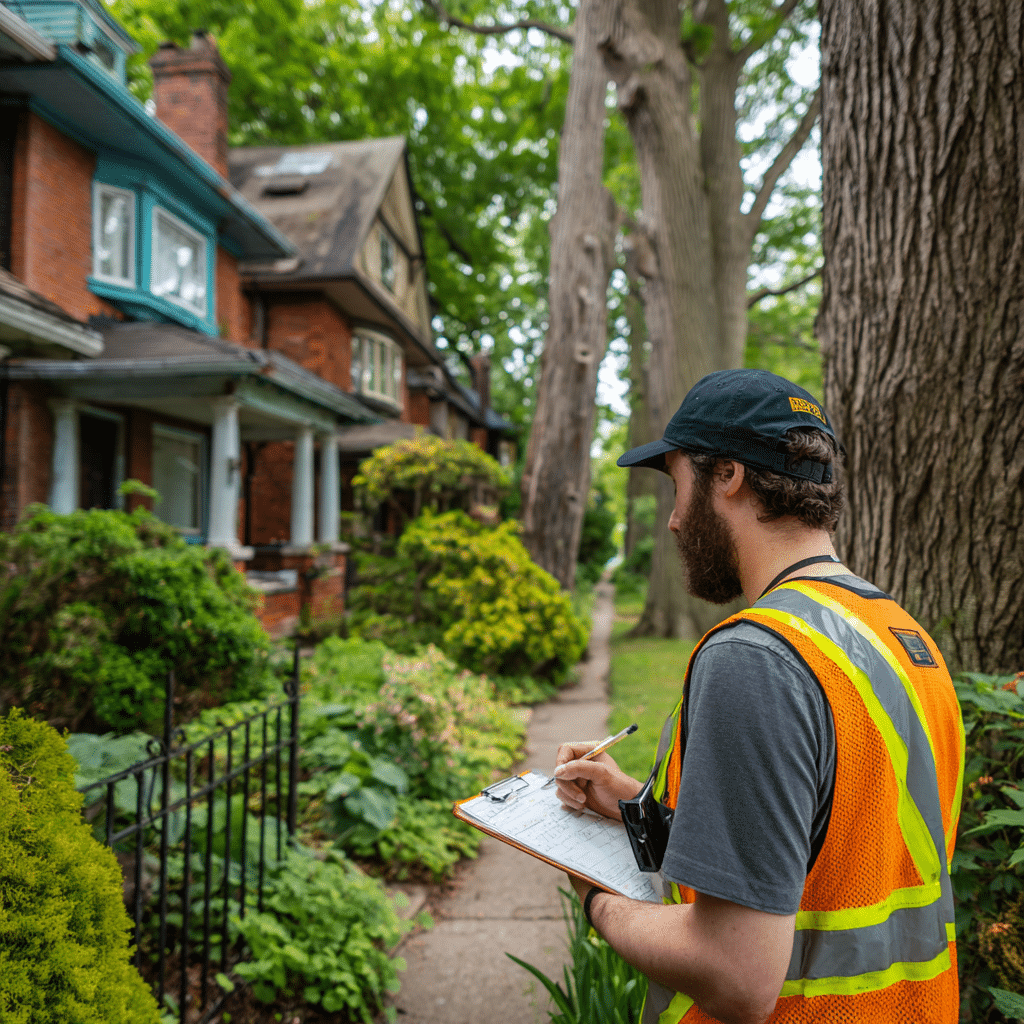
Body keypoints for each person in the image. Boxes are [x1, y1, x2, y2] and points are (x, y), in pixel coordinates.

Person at [553, 369, 964, 1024]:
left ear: (729, 476)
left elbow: (736, 974)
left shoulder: (754, 656)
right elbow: (834, 840)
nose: (674, 520)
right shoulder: (898, 633)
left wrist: (596, 899)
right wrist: (638, 804)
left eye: (678, 483)